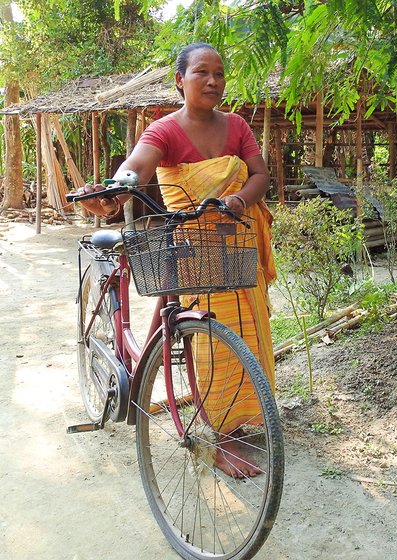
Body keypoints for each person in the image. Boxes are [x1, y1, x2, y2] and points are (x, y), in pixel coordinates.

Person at [78, 43, 276, 478]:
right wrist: (116, 188)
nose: (212, 81)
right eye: (202, 72)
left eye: (219, 73)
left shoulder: (238, 125)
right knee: (209, 343)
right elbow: (136, 167)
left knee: (251, 334)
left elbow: (260, 174)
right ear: (179, 80)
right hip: (194, 249)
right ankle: (220, 434)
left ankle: (243, 416)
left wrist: (240, 201)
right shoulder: (163, 131)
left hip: (237, 244)